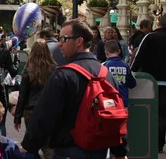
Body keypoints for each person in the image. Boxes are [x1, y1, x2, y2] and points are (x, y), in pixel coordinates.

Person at [21, 19, 127, 158]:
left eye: (64, 39)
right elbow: (115, 113)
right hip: (101, 151)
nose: (60, 43)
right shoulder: (105, 74)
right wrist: (120, 152)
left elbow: (44, 116)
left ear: (79, 41)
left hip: (69, 150)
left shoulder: (63, 75)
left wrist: (28, 146)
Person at [131, 12, 166, 153]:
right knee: (162, 115)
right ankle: (159, 144)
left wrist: (131, 74)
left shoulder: (149, 37)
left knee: (147, 112)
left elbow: (139, 57)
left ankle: (147, 142)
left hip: (149, 82)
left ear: (158, 24)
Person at [13, 39, 55, 159]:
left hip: (31, 110)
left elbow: (23, 95)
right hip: (48, 109)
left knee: (32, 142)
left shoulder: (28, 70)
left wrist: (17, 117)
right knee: (47, 144)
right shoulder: (54, 69)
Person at [103, 40, 136, 107]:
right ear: (119, 51)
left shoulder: (104, 66)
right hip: (123, 101)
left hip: (109, 102)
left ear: (106, 52)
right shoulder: (125, 65)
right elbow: (132, 84)